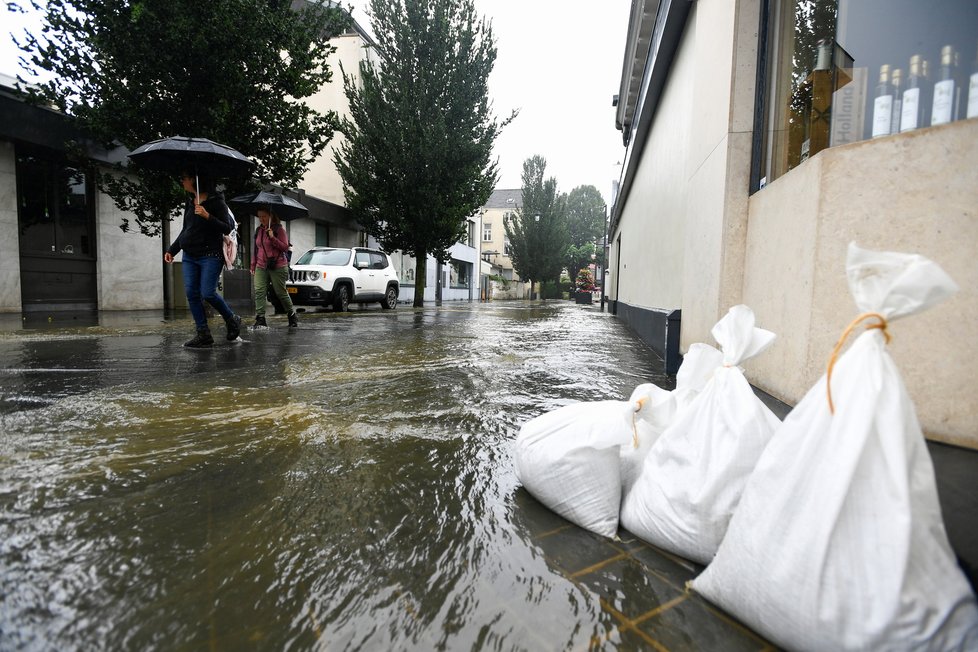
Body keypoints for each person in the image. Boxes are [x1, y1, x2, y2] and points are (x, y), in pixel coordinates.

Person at [163, 173, 243, 347]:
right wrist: (172, 250)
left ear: (195, 179)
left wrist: (208, 216)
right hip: (190, 255)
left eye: (184, 177)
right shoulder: (190, 201)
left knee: (207, 292)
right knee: (192, 293)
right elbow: (187, 229)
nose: (182, 180)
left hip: (210, 255)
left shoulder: (216, 201)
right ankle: (203, 334)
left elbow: (227, 227)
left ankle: (232, 319)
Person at [251, 207, 298, 328]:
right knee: (259, 291)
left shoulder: (279, 229)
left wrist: (272, 237)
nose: (261, 219)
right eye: (259, 216)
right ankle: (261, 318)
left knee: (280, 292)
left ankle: (291, 314)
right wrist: (253, 264)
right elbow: (256, 249)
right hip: (261, 265)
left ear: (271, 216)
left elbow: (284, 247)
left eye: (264, 216)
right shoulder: (259, 230)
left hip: (278, 265)